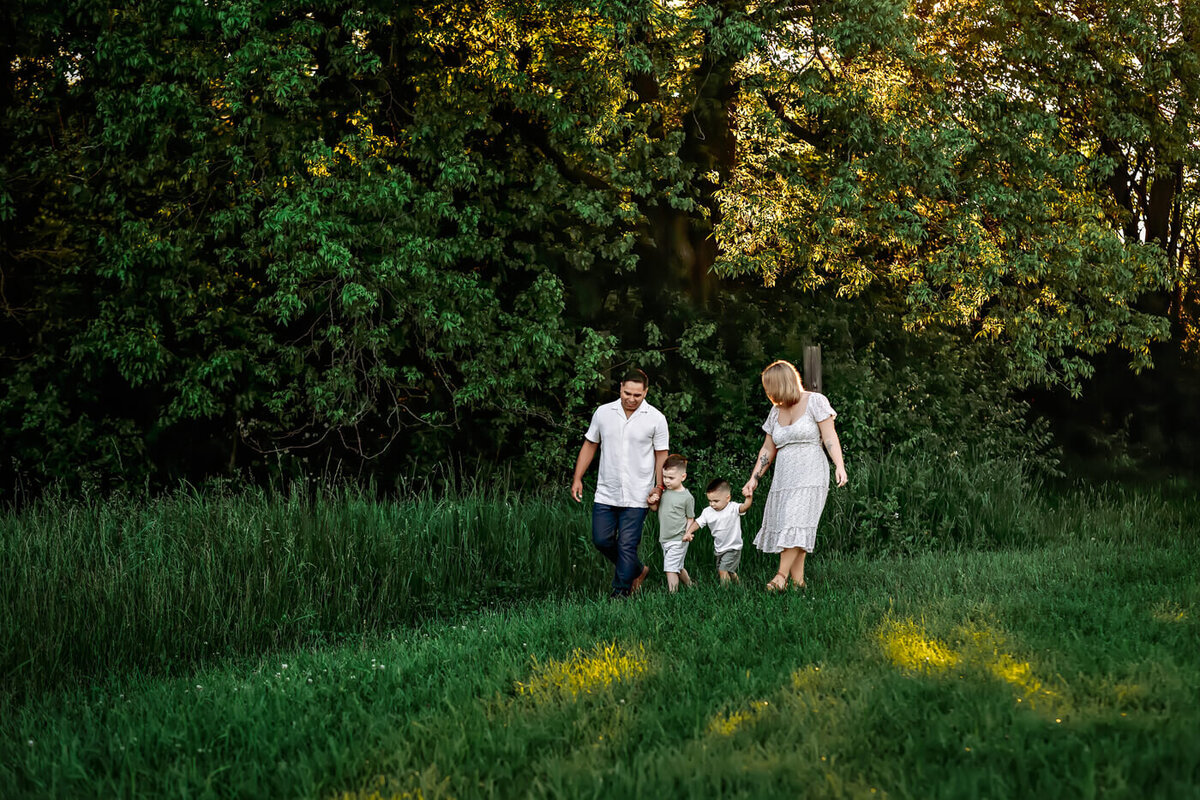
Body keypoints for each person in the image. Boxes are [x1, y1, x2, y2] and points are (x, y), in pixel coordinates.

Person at [742, 360, 847, 592]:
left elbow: (830, 437)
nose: (768, 392)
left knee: (796, 521)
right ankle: (799, 584)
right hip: (784, 478)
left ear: (783, 383)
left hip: (811, 474)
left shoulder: (815, 402)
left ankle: (780, 577)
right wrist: (753, 480)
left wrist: (839, 465)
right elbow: (767, 450)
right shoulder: (775, 411)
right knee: (793, 526)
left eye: (770, 387)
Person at [571, 369, 669, 598]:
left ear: (646, 392)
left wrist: (659, 486)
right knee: (601, 540)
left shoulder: (656, 418)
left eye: (637, 395)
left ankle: (620, 594)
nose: (632, 399)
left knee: (627, 545)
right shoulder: (603, 413)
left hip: (639, 493)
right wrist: (577, 478)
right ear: (620, 388)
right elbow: (590, 445)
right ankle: (637, 569)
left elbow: (661, 455)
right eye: (627, 393)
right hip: (607, 491)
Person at [685, 478, 752, 584]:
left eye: (716, 501)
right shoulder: (707, 512)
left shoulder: (733, 508)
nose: (712, 504)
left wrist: (748, 497)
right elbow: (698, 522)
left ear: (727, 498)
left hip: (733, 547)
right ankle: (738, 585)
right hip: (719, 548)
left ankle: (726, 593)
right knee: (729, 571)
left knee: (723, 570)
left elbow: (745, 507)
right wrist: (689, 532)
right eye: (710, 501)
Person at [650, 453, 695, 593]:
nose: (667, 481)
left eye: (671, 478)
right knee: (678, 566)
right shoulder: (664, 493)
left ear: (683, 477)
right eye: (664, 477)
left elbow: (690, 518)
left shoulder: (687, 497)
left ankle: (673, 596)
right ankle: (691, 586)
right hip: (665, 538)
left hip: (679, 538)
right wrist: (651, 501)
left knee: (670, 568)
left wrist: (687, 533)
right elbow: (654, 509)